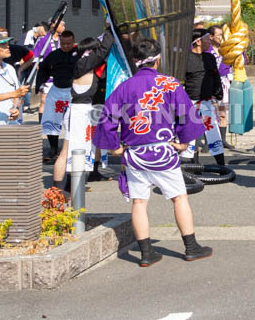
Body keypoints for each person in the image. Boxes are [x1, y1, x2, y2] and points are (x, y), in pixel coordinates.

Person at [93, 39, 213, 267]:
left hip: (134, 154)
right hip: (163, 152)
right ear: (158, 59)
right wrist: (184, 142)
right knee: (179, 197)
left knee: (139, 202)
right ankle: (191, 247)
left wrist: (113, 146)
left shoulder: (125, 87)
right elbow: (186, 115)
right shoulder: (169, 83)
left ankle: (146, 253)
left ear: (137, 62)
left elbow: (107, 118)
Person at [52, 27, 115, 189]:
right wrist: (111, 27)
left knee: (80, 149)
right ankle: (59, 189)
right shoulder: (84, 62)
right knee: (67, 151)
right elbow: (103, 50)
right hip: (78, 112)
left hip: (84, 111)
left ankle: (70, 185)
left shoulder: (84, 63)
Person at [180, 29, 226, 168]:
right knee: (190, 136)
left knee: (213, 134)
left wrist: (217, 94)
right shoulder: (185, 59)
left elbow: (216, 78)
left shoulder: (210, 58)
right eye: (207, 39)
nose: (210, 42)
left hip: (206, 103)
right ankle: (191, 166)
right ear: (198, 41)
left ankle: (222, 166)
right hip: (189, 103)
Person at [37, 29, 79, 161]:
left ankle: (71, 149)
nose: (66, 46)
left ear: (73, 42)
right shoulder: (54, 55)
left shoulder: (79, 54)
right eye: (63, 43)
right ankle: (53, 149)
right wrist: (39, 84)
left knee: (73, 122)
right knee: (51, 120)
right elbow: (43, 69)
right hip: (56, 90)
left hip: (73, 92)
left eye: (68, 43)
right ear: (60, 42)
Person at [206, 25, 234, 150]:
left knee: (222, 112)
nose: (221, 38)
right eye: (219, 35)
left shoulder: (226, 49)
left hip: (223, 82)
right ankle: (209, 141)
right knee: (208, 113)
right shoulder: (206, 49)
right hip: (210, 83)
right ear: (211, 37)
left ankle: (223, 139)